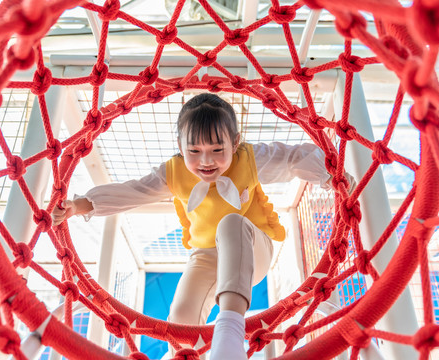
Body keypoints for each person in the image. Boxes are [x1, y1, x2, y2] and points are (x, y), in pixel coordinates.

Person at [52, 93, 353, 360]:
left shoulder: (248, 158)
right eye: (194, 151)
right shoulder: (173, 172)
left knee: (231, 221)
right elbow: (133, 191)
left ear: (234, 143)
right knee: (181, 318)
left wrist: (333, 176)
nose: (205, 161)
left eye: (217, 149)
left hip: (252, 247)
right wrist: (78, 206)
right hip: (207, 255)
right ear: (180, 147)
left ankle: (230, 329)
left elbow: (293, 157)